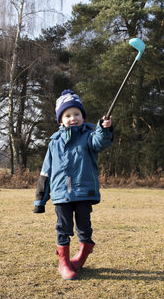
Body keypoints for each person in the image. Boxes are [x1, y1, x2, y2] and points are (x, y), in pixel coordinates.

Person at [33, 89, 113, 280]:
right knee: (63, 227)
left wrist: (105, 128)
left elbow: (101, 142)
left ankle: (85, 249)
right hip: (61, 194)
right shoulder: (54, 142)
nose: (73, 118)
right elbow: (46, 171)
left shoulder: (89, 136)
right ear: (61, 120)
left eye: (77, 114)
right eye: (68, 115)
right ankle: (64, 262)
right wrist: (40, 200)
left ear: (83, 117)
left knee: (84, 226)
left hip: (84, 191)